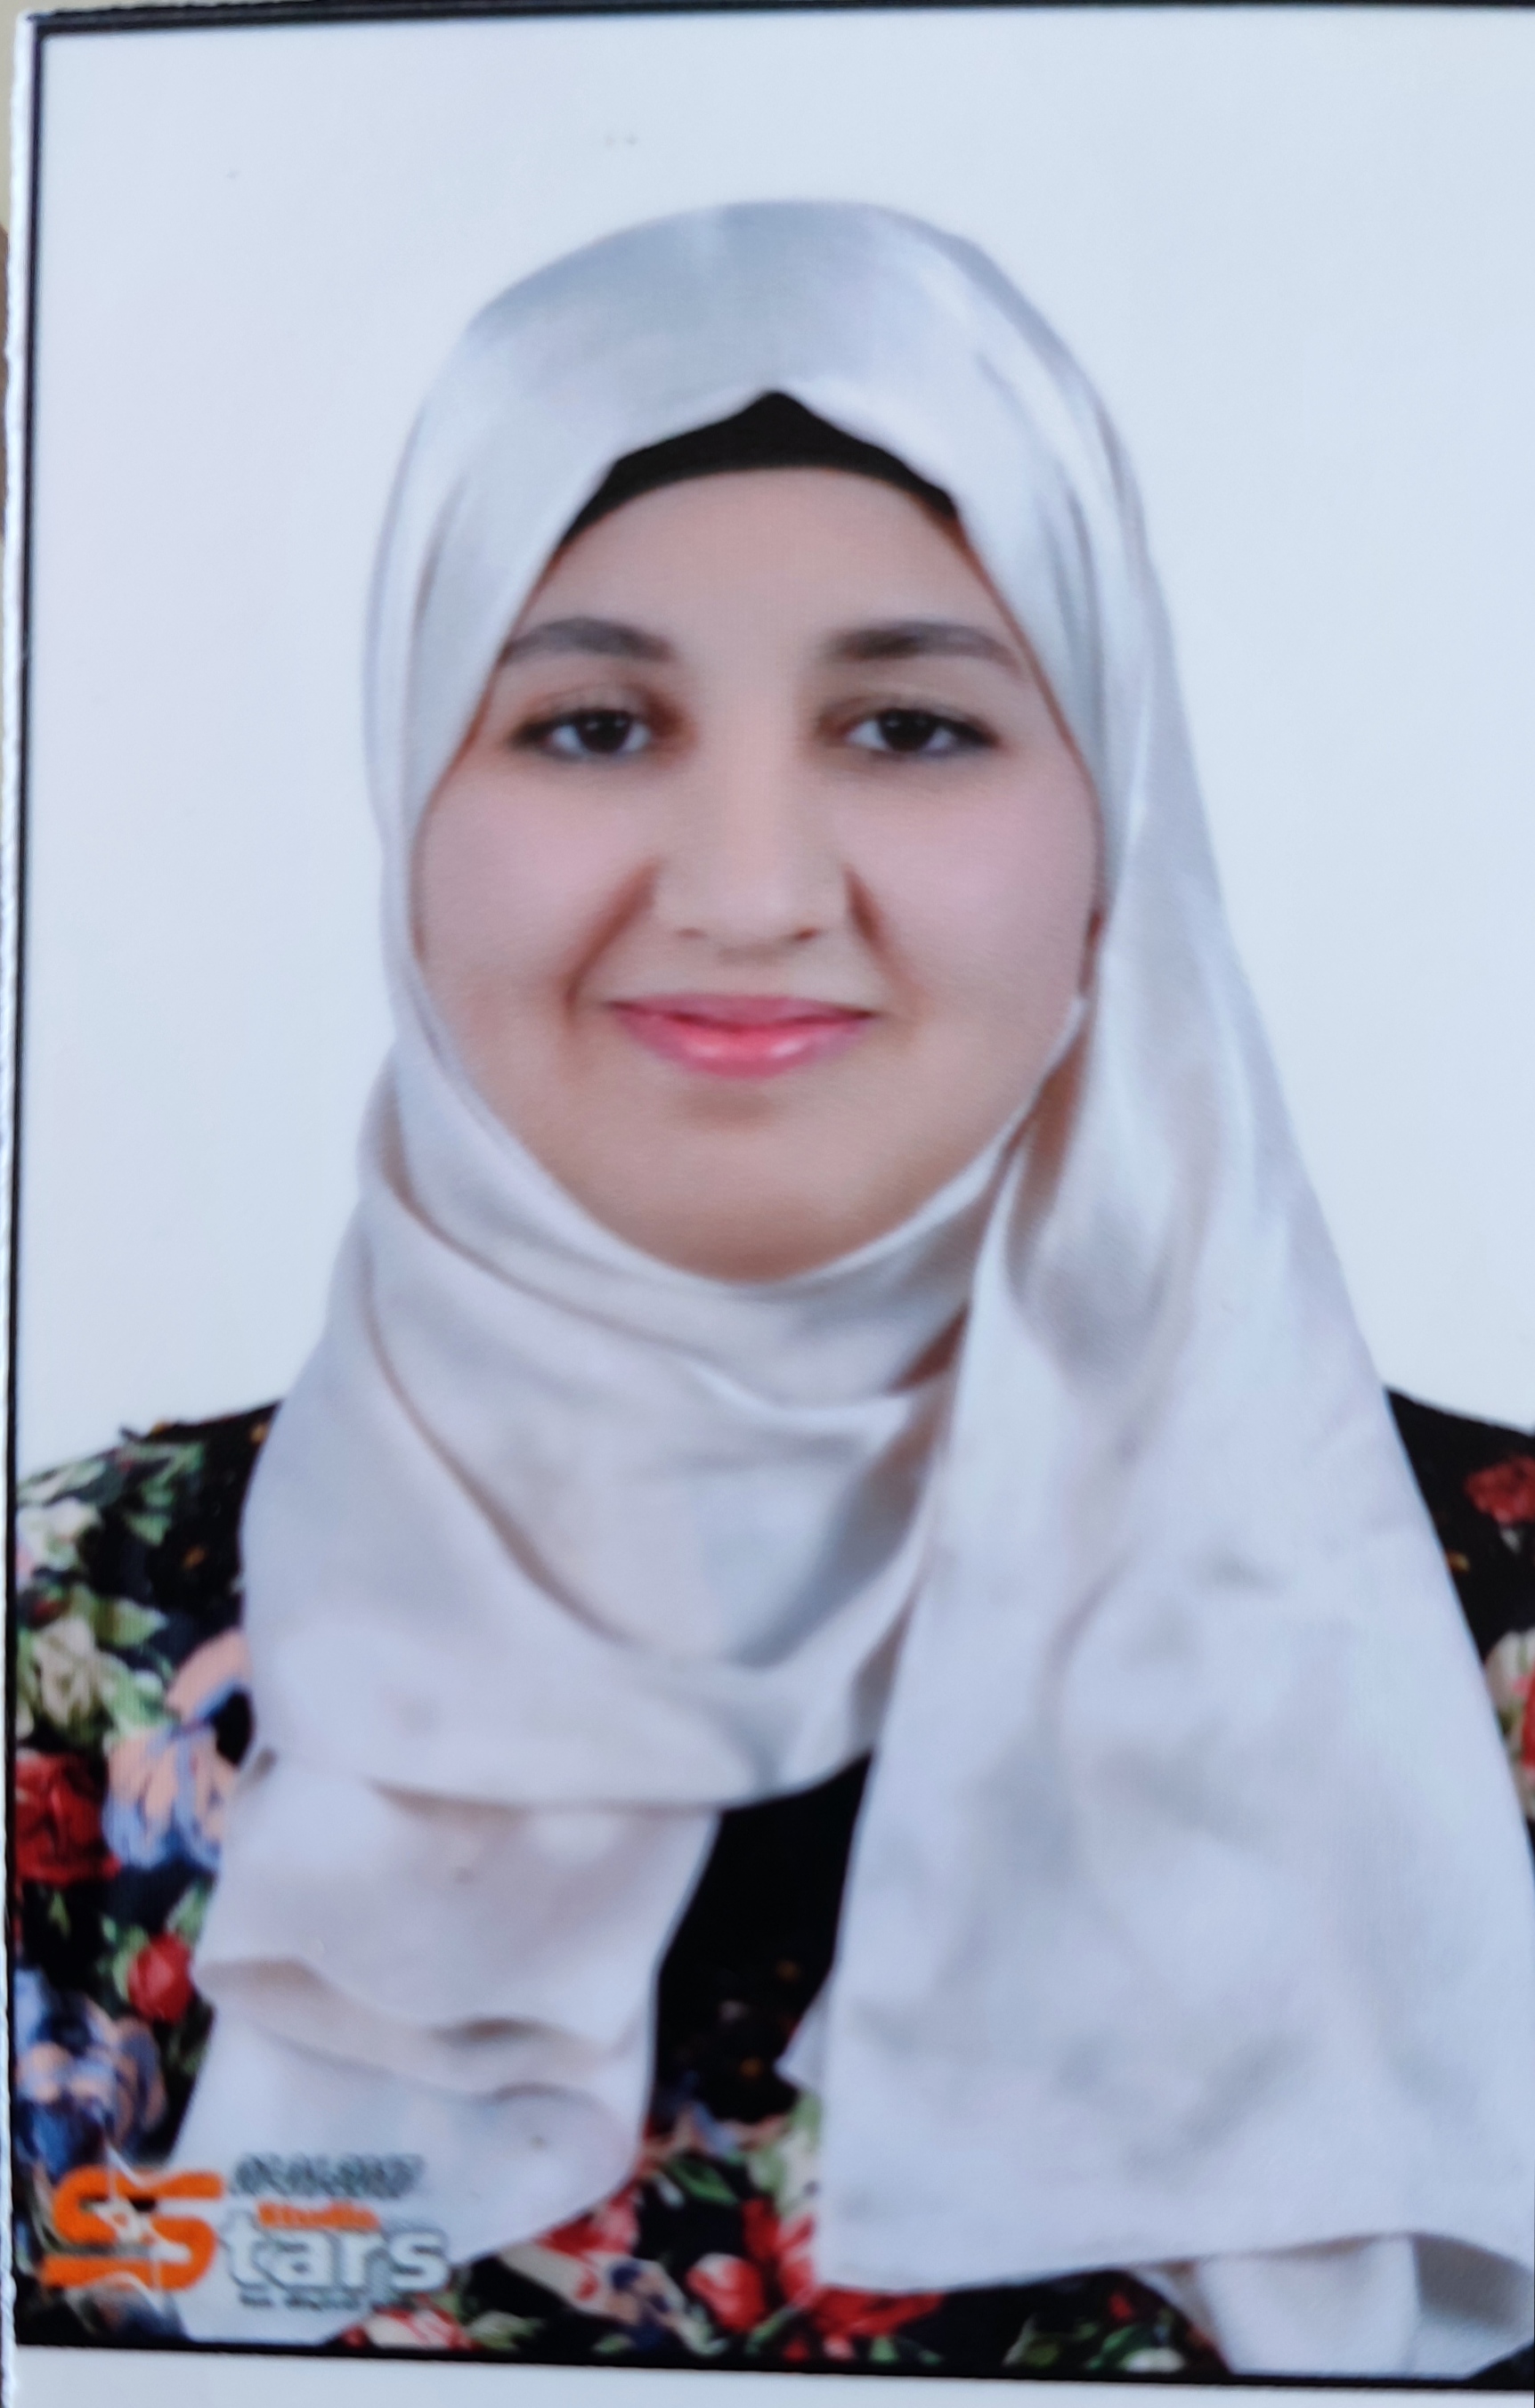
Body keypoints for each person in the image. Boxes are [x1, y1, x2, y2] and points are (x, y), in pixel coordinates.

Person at [12, 202, 1535, 2379]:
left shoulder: (1493, 1646)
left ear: (1118, 833)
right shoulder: (66, 1644)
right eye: (589, 726)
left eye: (906, 727)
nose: (744, 891)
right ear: (404, 806)